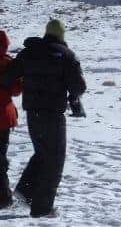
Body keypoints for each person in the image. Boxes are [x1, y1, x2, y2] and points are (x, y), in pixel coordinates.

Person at [4, 20, 86, 218]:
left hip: (33, 113)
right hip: (53, 114)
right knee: (54, 159)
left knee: (42, 153)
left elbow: (7, 78)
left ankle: (26, 191)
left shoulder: (30, 52)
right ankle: (42, 208)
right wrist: (71, 98)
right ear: (61, 35)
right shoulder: (66, 55)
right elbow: (79, 87)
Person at [0, 31, 22, 208]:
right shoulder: (9, 63)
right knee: (1, 157)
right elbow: (16, 91)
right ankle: (4, 196)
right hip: (4, 116)